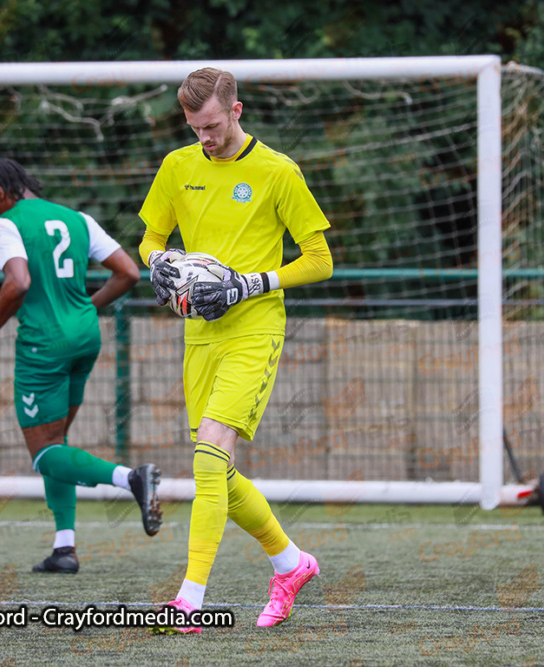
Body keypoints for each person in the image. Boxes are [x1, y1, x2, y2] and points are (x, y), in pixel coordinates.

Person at [138, 68, 334, 632]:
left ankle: (188, 601)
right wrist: (158, 263)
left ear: (237, 111)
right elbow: (152, 237)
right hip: (198, 333)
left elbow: (319, 259)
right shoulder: (177, 166)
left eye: (214, 125)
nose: (206, 137)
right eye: (195, 128)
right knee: (216, 472)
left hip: (255, 330)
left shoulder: (278, 172)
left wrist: (253, 283)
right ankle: (291, 564)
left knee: (207, 459)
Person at [0, 157, 162, 575]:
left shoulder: (6, 224)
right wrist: (84, 310)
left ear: (1, 194)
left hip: (44, 345)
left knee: (44, 452)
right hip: (85, 337)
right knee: (58, 442)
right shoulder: (77, 219)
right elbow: (129, 272)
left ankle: (131, 478)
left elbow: (18, 282)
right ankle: (64, 548)